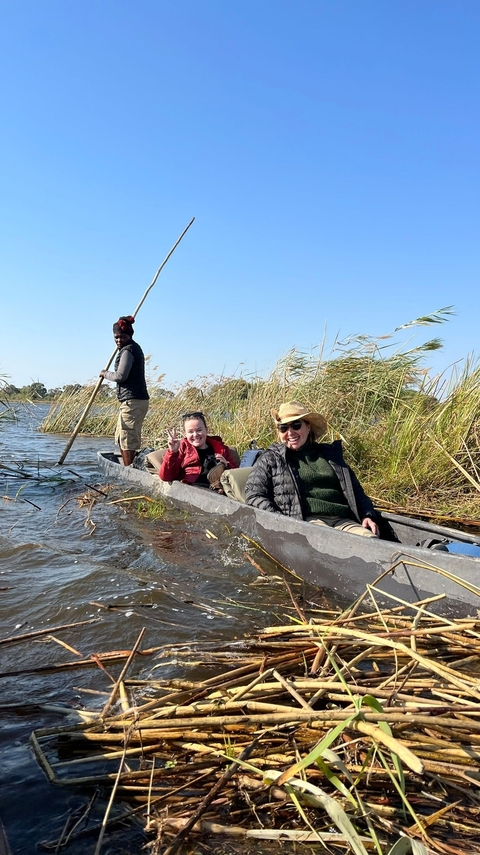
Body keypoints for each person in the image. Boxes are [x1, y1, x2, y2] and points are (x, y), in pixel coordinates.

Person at [245, 401, 380, 537]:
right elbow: (253, 494)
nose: (290, 432)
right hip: (308, 521)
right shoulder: (271, 458)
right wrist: (281, 520)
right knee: (330, 541)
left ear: (308, 427)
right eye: (284, 428)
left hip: (343, 519)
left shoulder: (330, 455)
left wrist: (366, 515)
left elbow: (355, 490)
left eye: (296, 425)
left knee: (370, 540)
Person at [99, 315, 149, 467]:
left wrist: (104, 374)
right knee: (122, 436)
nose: (119, 340)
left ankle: (129, 471)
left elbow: (121, 376)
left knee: (127, 437)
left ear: (129, 335)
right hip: (133, 400)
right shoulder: (129, 348)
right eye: (116, 337)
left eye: (122, 337)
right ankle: (130, 467)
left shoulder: (129, 350)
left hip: (133, 401)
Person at [159, 411, 239, 487]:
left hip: (218, 490)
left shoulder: (221, 449)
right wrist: (172, 452)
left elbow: (237, 474)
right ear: (185, 434)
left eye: (199, 430)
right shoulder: (181, 448)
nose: (195, 434)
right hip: (192, 490)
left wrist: (226, 465)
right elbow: (166, 477)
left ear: (206, 430)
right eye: (190, 432)